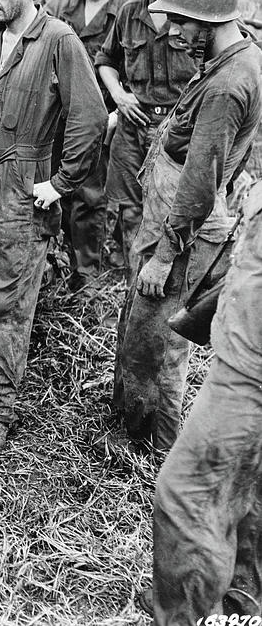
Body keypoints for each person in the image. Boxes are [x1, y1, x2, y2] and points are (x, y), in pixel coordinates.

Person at [0, 0, 106, 454]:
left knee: (6, 298)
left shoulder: (59, 40)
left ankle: (1, 406)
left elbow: (88, 117)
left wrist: (59, 183)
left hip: (26, 184)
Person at [113, 0, 262, 453]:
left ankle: (158, 456)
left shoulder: (226, 85)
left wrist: (163, 254)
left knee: (160, 349)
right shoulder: (234, 59)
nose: (170, 29)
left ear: (211, 19)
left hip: (184, 228)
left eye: (179, 20)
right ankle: (138, 435)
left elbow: (201, 181)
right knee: (145, 333)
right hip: (175, 214)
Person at [146, 175, 262, 623]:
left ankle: (184, 615)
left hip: (250, 370)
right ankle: (240, 604)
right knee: (248, 496)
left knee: (186, 498)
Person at [96, 0, 193, 282]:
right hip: (132, 128)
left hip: (178, 131)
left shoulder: (194, 13)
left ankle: (174, 282)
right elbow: (105, 60)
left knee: (173, 208)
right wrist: (119, 96)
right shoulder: (128, 12)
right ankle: (134, 284)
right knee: (129, 209)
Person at [56, 0, 138, 288]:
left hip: (112, 114)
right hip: (71, 114)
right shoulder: (66, 9)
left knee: (97, 196)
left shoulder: (129, 8)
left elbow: (140, 70)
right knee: (67, 191)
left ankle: (92, 274)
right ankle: (71, 262)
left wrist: (117, 113)